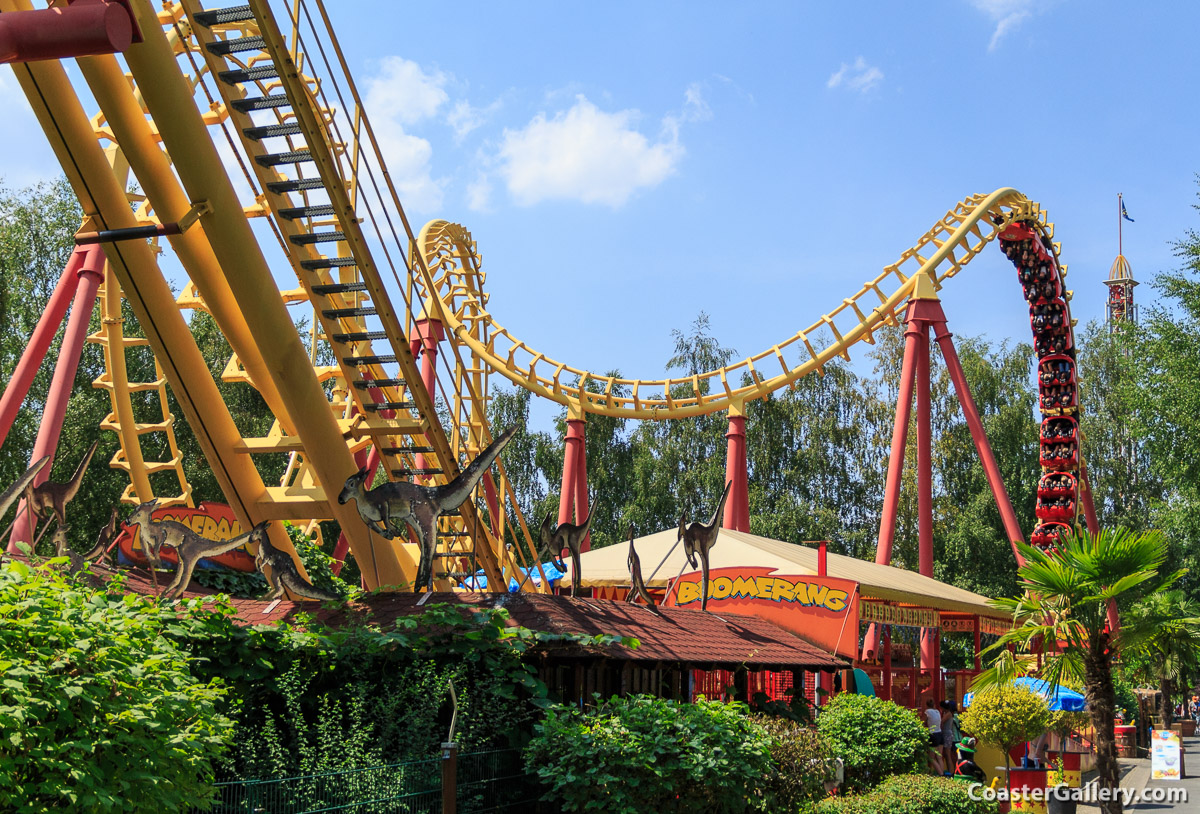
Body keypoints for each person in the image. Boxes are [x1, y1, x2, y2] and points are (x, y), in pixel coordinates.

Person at [924, 698, 944, 774]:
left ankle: (941, 774)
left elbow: (923, 721)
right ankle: (943, 774)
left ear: (926, 705)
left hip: (933, 734)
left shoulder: (927, 712)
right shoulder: (937, 711)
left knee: (931, 758)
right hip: (940, 733)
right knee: (939, 757)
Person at [940, 700, 960, 771]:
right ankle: (951, 771)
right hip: (949, 735)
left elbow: (941, 721)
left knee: (948, 755)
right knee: (947, 755)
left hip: (949, 735)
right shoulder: (950, 714)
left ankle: (951, 771)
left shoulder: (949, 714)